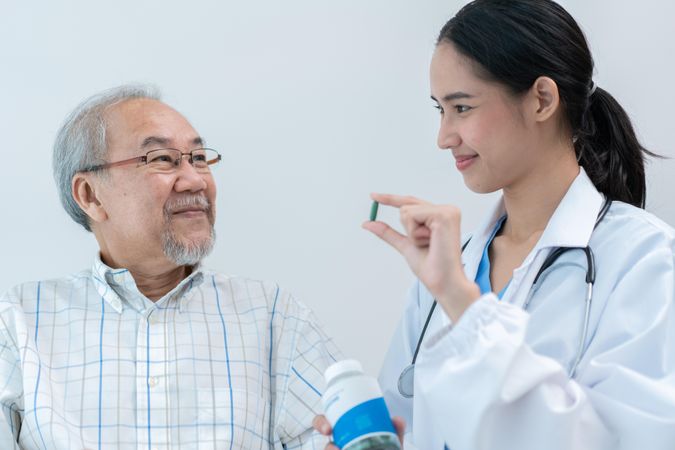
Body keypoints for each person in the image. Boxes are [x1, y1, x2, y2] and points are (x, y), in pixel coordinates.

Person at [315, 0, 675, 449]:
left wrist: (464, 305)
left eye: (462, 108)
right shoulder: (451, 268)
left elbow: (623, 440)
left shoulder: (644, 260)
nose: (444, 137)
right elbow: (408, 423)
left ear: (542, 99)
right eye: (439, 110)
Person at [0, 85, 338, 449]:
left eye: (198, 158)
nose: (195, 180)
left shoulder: (275, 316)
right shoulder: (20, 323)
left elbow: (344, 437)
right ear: (90, 195)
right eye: (162, 159)